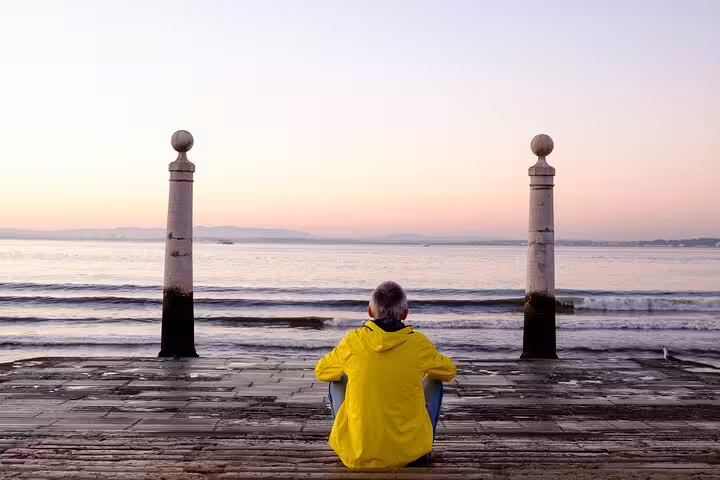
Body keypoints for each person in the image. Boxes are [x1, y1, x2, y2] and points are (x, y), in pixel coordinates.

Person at [315, 280, 457, 469]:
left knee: (337, 379)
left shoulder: (352, 342)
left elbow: (321, 371)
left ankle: (352, 440)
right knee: (434, 380)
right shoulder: (418, 344)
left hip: (357, 456)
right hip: (408, 454)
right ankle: (422, 447)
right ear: (405, 313)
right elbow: (449, 371)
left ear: (370, 311)